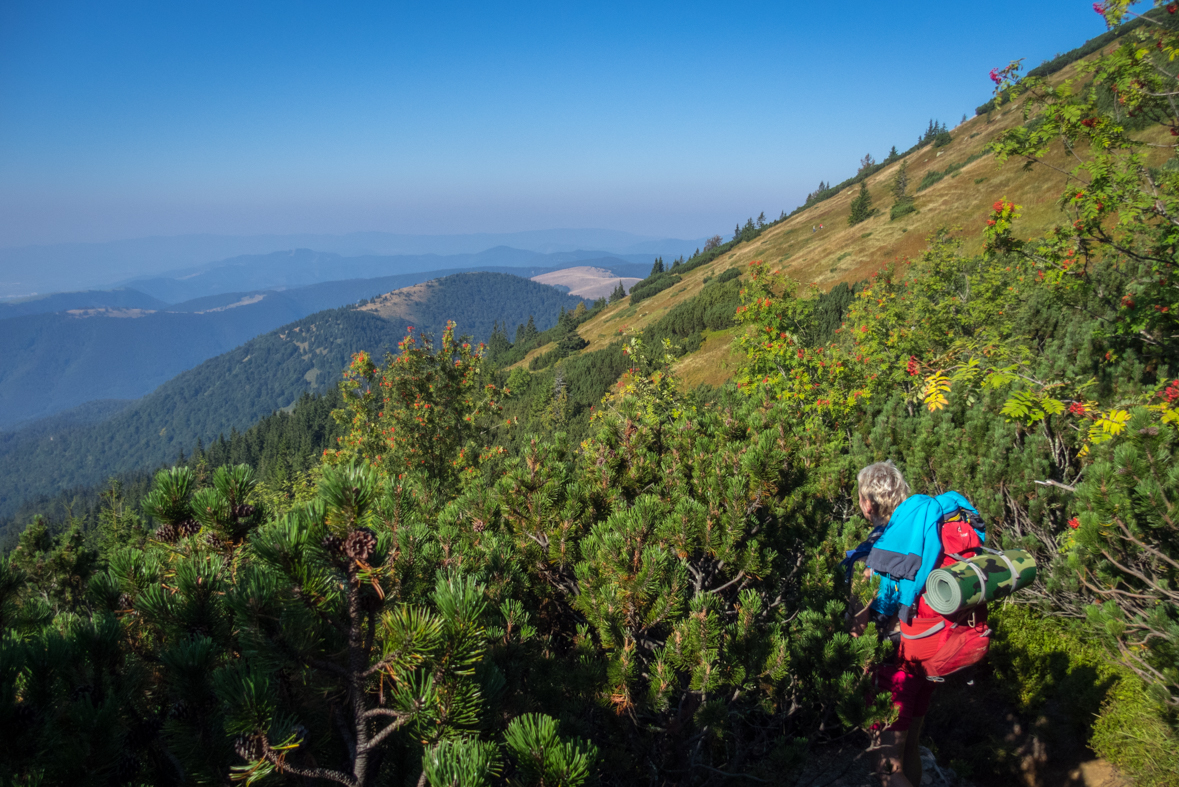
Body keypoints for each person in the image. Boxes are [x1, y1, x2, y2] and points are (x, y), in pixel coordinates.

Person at [847, 461, 926, 787]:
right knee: (909, 749)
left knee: (888, 770)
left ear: (869, 504)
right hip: (925, 652)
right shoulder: (921, 536)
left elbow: (859, 625)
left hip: (892, 664)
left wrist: (854, 664)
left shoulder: (872, 554)